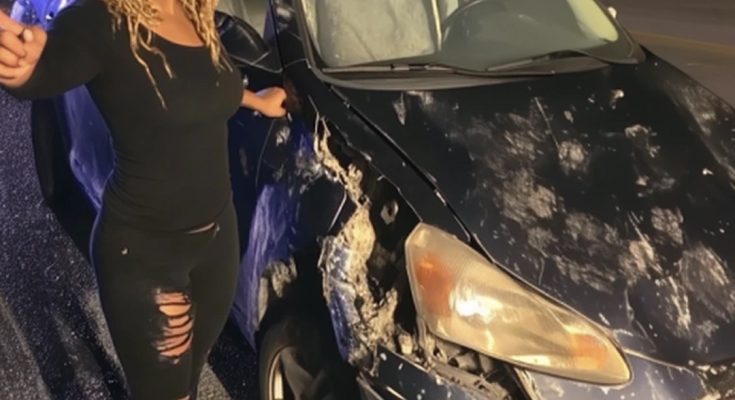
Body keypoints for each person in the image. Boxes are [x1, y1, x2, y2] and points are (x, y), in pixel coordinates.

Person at [0, 0, 286, 398]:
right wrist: (20, 64)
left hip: (217, 243)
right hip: (147, 255)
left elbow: (200, 84)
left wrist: (257, 100)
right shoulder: (101, 19)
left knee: (188, 378)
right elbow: (42, 69)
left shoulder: (193, 10)